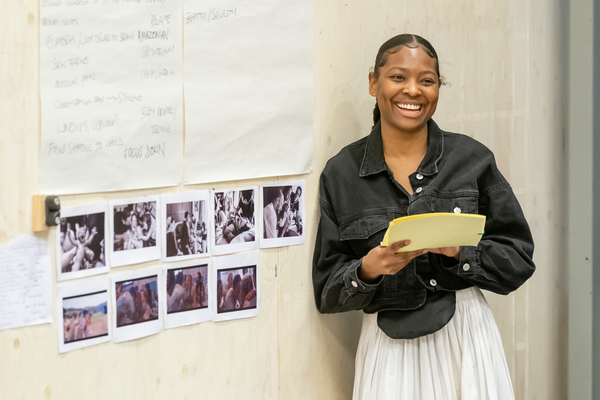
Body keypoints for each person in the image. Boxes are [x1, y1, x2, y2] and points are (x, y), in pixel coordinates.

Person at [312, 34, 535, 400]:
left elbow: (519, 260)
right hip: (387, 350)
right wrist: (368, 268)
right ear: (374, 83)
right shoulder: (342, 173)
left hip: (466, 338)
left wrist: (459, 252)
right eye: (398, 77)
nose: (413, 90)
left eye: (427, 80)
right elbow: (327, 292)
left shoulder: (472, 160)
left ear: (437, 88)